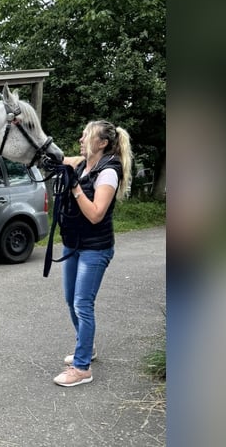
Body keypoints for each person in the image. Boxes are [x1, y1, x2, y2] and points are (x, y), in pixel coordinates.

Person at [52, 120, 133, 387]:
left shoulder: (108, 172)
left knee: (82, 304)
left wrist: (75, 188)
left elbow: (96, 214)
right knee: (70, 299)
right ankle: (87, 347)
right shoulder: (81, 163)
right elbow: (55, 157)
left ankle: (82, 367)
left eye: (86, 135)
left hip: (95, 249)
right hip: (73, 244)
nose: (80, 138)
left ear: (102, 143)